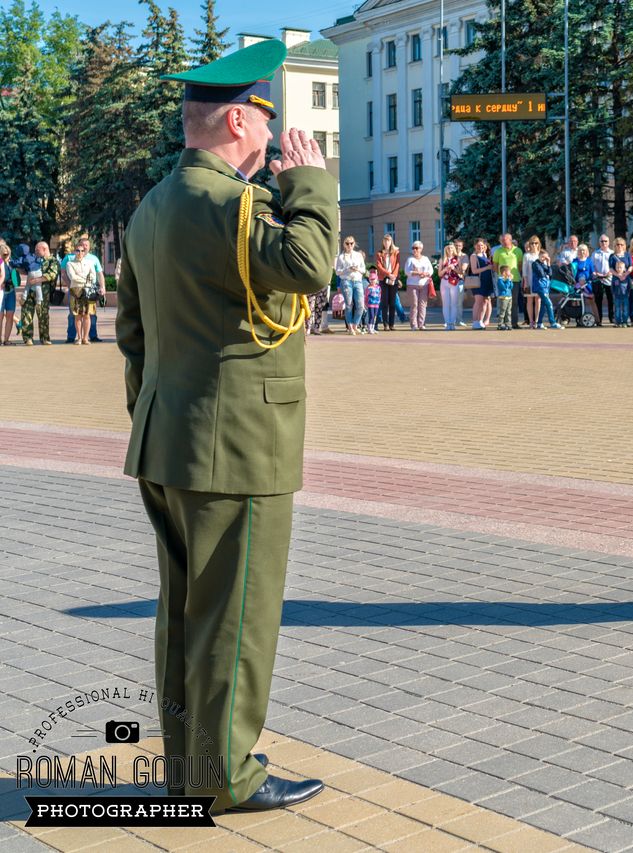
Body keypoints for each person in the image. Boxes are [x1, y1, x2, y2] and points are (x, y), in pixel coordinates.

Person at [115, 39, 336, 813]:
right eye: (267, 122)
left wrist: (161, 418)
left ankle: (190, 764)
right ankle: (225, 776)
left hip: (167, 441)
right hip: (236, 444)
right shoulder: (231, 206)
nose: (274, 138)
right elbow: (309, 264)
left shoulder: (152, 207)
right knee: (236, 616)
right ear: (239, 120)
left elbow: (133, 337)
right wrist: (310, 182)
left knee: (184, 615)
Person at [64, 237, 105, 343]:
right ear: (75, 250)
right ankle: (75, 337)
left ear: (88, 247)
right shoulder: (69, 261)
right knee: (76, 315)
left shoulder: (92, 261)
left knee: (88, 315)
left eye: (83, 249)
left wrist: (102, 287)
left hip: (88, 291)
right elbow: (72, 277)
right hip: (76, 291)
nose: (81, 252)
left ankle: (87, 337)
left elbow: (95, 275)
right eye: (78, 250)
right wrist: (84, 279)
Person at [20, 241, 55, 345]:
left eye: (37, 250)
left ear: (44, 249)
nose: (35, 252)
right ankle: (28, 338)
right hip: (30, 291)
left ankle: (44, 338)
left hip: (43, 293)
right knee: (26, 315)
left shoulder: (52, 261)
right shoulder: (34, 258)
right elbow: (27, 270)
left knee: (43, 316)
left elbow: (51, 274)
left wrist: (36, 280)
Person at [334, 237, 367, 334]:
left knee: (360, 305)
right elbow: (337, 272)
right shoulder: (341, 257)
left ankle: (355, 325)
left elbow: (364, 270)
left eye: (351, 243)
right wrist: (347, 269)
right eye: (347, 243)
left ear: (354, 243)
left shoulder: (358, 255)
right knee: (349, 305)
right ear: (344, 244)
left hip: (358, 281)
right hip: (346, 281)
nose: (349, 245)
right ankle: (350, 327)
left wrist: (357, 269)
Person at [491, 233, 523, 328]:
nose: (502, 242)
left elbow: (520, 265)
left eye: (504, 240)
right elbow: (495, 266)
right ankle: (504, 323)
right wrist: (502, 276)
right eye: (501, 240)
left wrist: (513, 275)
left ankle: (514, 323)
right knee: (504, 302)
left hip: (515, 279)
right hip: (503, 281)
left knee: (514, 302)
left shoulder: (518, 250)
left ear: (510, 240)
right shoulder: (498, 251)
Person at [373, 234, 399, 331]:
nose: (386, 243)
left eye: (388, 241)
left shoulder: (396, 252)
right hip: (383, 279)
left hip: (393, 279)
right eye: (385, 241)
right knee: (384, 302)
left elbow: (397, 265)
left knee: (392, 303)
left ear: (391, 242)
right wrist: (388, 274)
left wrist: (394, 275)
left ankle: (392, 324)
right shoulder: (379, 253)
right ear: (383, 242)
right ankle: (385, 324)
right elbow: (379, 266)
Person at [438, 243, 464, 330]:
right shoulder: (442, 259)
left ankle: (452, 323)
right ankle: (447, 323)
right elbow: (439, 274)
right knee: (446, 304)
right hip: (444, 282)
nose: (450, 250)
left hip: (454, 282)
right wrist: (445, 269)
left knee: (454, 304)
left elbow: (461, 272)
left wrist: (454, 269)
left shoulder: (457, 259)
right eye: (448, 248)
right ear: (446, 249)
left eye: (452, 248)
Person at [469, 238, 493, 329]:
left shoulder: (484, 255)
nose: (480, 247)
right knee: (478, 301)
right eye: (478, 245)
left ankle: (480, 321)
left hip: (487, 281)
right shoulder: (473, 256)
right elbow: (474, 270)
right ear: (475, 246)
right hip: (478, 281)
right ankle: (475, 321)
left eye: (482, 245)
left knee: (485, 302)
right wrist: (487, 268)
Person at [589, 235, 613, 325]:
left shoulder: (612, 253)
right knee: (598, 300)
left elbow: (614, 265)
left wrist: (609, 273)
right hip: (598, 280)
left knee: (611, 299)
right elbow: (592, 266)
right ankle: (599, 320)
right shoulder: (595, 254)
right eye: (602, 241)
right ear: (599, 242)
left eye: (605, 241)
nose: (604, 243)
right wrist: (597, 273)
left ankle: (612, 318)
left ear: (608, 242)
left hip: (610, 279)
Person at [521, 236, 542, 329]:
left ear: (538, 244)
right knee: (529, 300)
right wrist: (525, 282)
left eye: (536, 243)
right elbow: (524, 270)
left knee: (538, 300)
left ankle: (537, 321)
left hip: (539, 282)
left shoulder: (541, 254)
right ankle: (531, 321)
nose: (534, 245)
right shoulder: (527, 255)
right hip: (529, 281)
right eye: (532, 243)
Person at [0, 240, 15, 345]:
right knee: (0, 316)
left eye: (8, 253)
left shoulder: (12, 263)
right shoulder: (0, 262)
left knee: (10, 315)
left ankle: (6, 340)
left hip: (11, 291)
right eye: (4, 254)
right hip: (1, 291)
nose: (6, 255)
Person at [609, 260, 630, 327]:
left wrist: (628, 293)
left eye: (620, 267)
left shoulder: (626, 277)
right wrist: (613, 293)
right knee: (617, 310)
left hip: (625, 296)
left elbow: (629, 286)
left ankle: (625, 322)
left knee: (625, 309)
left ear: (624, 269)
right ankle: (618, 322)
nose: (619, 269)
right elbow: (612, 286)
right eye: (617, 267)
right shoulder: (614, 277)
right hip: (617, 296)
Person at [363, 260, 382, 332]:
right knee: (371, 316)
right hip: (370, 304)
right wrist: (365, 303)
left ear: (376, 280)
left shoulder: (378, 287)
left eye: (374, 279)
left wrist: (379, 301)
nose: (372, 281)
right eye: (371, 279)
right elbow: (366, 296)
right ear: (369, 280)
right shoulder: (368, 288)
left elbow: (379, 295)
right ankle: (369, 328)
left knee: (375, 316)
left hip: (376, 304)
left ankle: (373, 328)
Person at [494, 264, 514, 329]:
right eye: (509, 271)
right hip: (503, 298)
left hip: (509, 297)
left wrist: (510, 281)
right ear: (504, 273)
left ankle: (508, 324)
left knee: (508, 312)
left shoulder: (507, 279)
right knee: (502, 311)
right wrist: (508, 280)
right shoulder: (500, 280)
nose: (510, 273)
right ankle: (500, 324)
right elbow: (504, 287)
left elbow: (511, 287)